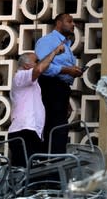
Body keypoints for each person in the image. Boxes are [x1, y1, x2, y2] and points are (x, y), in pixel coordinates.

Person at [8, 44, 64, 167]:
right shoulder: (21, 76)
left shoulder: (32, 83)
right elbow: (39, 69)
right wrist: (54, 52)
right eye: (36, 61)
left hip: (29, 132)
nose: (39, 63)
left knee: (30, 171)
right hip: (23, 132)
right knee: (23, 172)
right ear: (27, 65)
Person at [35, 13, 84, 154]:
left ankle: (56, 162)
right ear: (58, 23)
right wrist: (67, 70)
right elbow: (42, 67)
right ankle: (47, 164)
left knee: (60, 128)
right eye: (69, 21)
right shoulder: (48, 41)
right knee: (53, 127)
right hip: (49, 87)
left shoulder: (66, 45)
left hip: (61, 90)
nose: (73, 24)